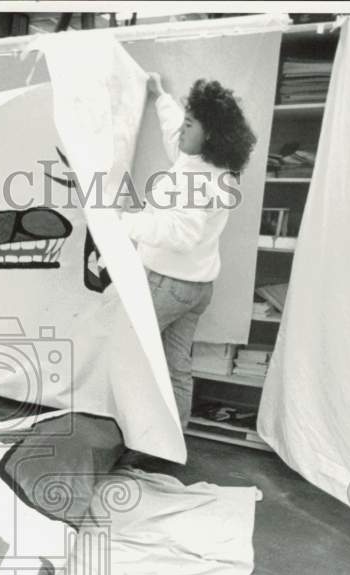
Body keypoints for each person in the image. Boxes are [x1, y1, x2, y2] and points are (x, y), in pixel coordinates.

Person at [120, 74, 256, 429]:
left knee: (124, 350)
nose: (183, 128)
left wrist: (124, 223)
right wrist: (161, 96)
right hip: (196, 289)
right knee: (175, 364)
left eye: (190, 123)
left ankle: (134, 433)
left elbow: (181, 234)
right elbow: (173, 132)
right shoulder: (212, 165)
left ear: (208, 134)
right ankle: (173, 437)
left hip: (169, 285)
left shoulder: (194, 180)